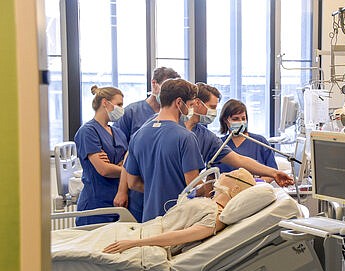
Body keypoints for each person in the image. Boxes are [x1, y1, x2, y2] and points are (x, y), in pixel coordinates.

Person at [103, 168, 256, 254]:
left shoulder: (216, 217)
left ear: (235, 188)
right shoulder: (209, 203)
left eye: (232, 174)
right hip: (142, 230)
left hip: (146, 242)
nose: (223, 174)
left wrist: (135, 243)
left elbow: (177, 238)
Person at [124, 78, 205, 222]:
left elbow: (132, 183)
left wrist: (155, 191)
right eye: (191, 104)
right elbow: (193, 187)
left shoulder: (138, 136)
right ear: (179, 102)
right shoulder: (185, 137)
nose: (191, 110)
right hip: (177, 220)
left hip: (149, 220)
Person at [182, 83, 293, 186]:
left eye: (243, 118)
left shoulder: (207, 137)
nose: (214, 112)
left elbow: (238, 159)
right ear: (196, 103)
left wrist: (273, 173)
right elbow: (193, 177)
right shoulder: (175, 131)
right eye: (212, 107)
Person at [113, 67, 180, 222]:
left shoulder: (177, 117)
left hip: (166, 189)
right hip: (137, 187)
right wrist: (122, 191)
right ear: (154, 84)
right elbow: (126, 156)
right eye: (165, 88)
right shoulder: (132, 112)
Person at [74, 85, 128, 226]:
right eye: (119, 104)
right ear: (105, 103)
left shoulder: (117, 132)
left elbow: (127, 160)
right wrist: (126, 171)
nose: (122, 109)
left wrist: (117, 167)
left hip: (117, 202)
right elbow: (104, 170)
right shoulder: (87, 131)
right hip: (95, 203)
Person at [218, 99, 277, 182]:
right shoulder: (219, 145)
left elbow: (272, 173)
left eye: (243, 118)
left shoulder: (260, 142)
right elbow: (212, 176)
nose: (241, 122)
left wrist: (253, 184)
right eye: (235, 119)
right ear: (225, 120)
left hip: (256, 191)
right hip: (227, 191)